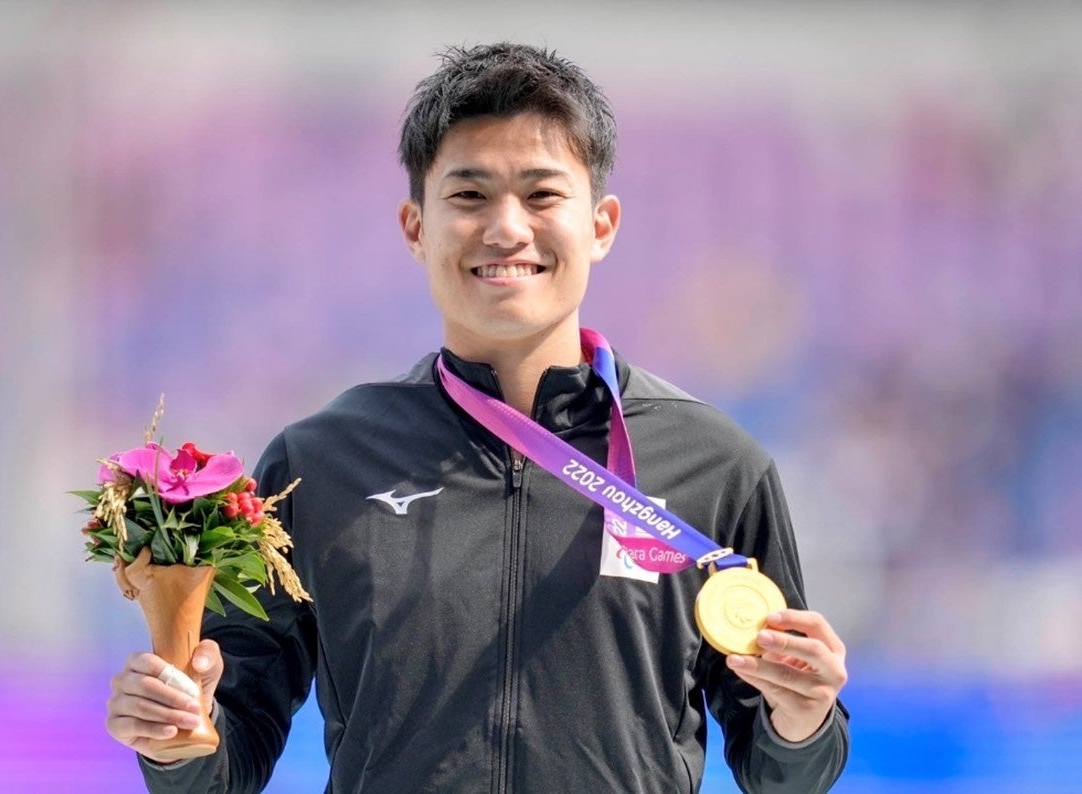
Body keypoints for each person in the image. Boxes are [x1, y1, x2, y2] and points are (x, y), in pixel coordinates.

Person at [106, 42, 850, 793]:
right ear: (415, 228)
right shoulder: (319, 463)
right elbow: (228, 757)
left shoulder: (715, 465)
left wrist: (803, 719)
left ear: (601, 225)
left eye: (542, 194)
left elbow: (783, 774)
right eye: (469, 196)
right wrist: (175, 736)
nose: (506, 228)